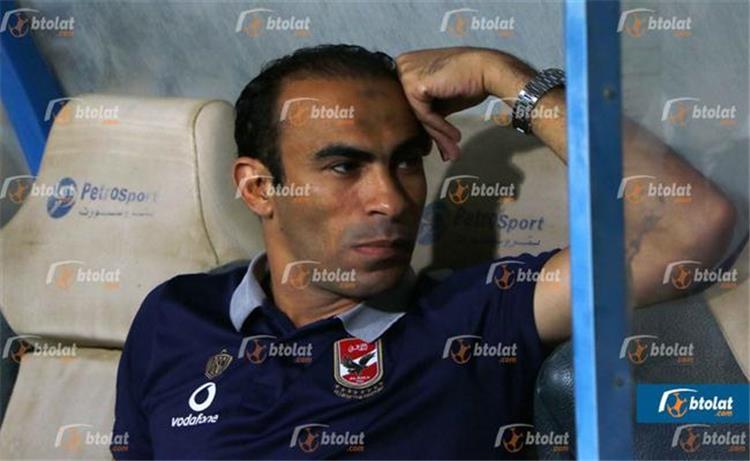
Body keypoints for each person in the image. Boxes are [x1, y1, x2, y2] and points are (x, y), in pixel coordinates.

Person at [111, 44, 735, 459]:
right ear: (257, 188)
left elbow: (691, 223)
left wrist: (505, 78)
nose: (389, 199)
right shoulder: (177, 316)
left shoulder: (478, 314)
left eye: (407, 162)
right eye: (344, 166)